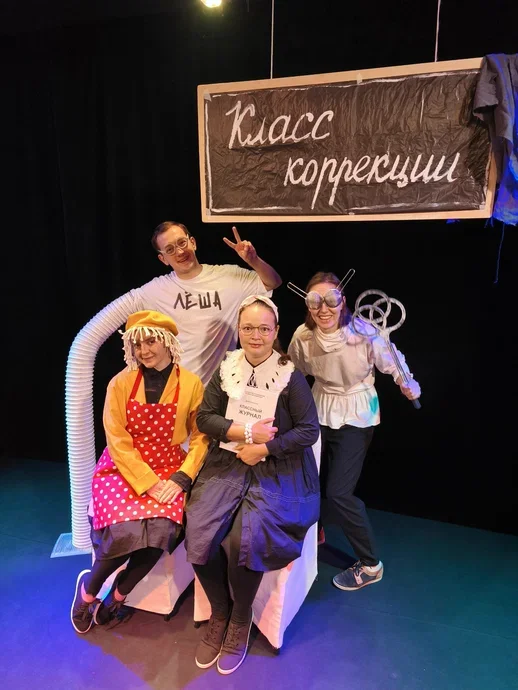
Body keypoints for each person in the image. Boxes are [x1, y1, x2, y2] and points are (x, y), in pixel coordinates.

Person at [185, 295, 320, 675]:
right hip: (228, 459)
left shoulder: (290, 376)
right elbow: (205, 418)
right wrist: (244, 433)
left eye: (263, 328)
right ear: (239, 330)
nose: (255, 336)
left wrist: (265, 448)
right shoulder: (227, 369)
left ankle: (240, 619)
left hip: (279, 466)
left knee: (248, 536)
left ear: (275, 332)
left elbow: (308, 430)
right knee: (198, 528)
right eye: (248, 328)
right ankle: (220, 612)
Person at [71, 310, 209, 634]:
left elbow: (201, 435)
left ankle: (118, 595)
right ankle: (88, 593)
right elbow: (116, 439)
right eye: (137, 344)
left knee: (163, 534)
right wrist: (146, 482)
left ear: (167, 342)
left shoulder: (191, 384)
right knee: (123, 533)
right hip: (122, 468)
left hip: (169, 468)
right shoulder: (120, 383)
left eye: (150, 342)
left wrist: (181, 477)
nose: (144, 351)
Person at [288, 272, 421, 592]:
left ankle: (371, 564)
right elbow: (292, 371)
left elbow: (393, 362)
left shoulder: (364, 332)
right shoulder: (303, 336)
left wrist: (407, 382)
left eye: (331, 300)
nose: (323, 308)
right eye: (315, 301)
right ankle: (315, 531)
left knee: (339, 493)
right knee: (304, 479)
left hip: (357, 413)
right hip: (319, 409)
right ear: (307, 304)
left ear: (343, 301)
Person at [93, 222, 282, 386]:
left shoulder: (229, 277)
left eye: (182, 243)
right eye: (170, 249)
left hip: (222, 392)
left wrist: (253, 260)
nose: (180, 252)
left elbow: (272, 282)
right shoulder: (155, 290)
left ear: (193, 242)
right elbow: (96, 330)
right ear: (163, 259)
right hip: (177, 392)